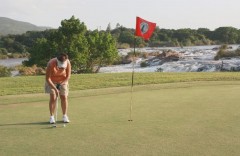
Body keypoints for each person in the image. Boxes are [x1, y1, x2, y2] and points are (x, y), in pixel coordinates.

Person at [45, 53, 71, 124]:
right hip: (51, 81)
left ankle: (65, 116)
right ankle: (52, 117)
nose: (61, 67)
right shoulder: (51, 63)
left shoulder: (67, 62)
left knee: (64, 97)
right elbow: (48, 78)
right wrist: (55, 88)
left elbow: (68, 76)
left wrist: (62, 83)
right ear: (57, 60)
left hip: (63, 81)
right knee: (53, 97)